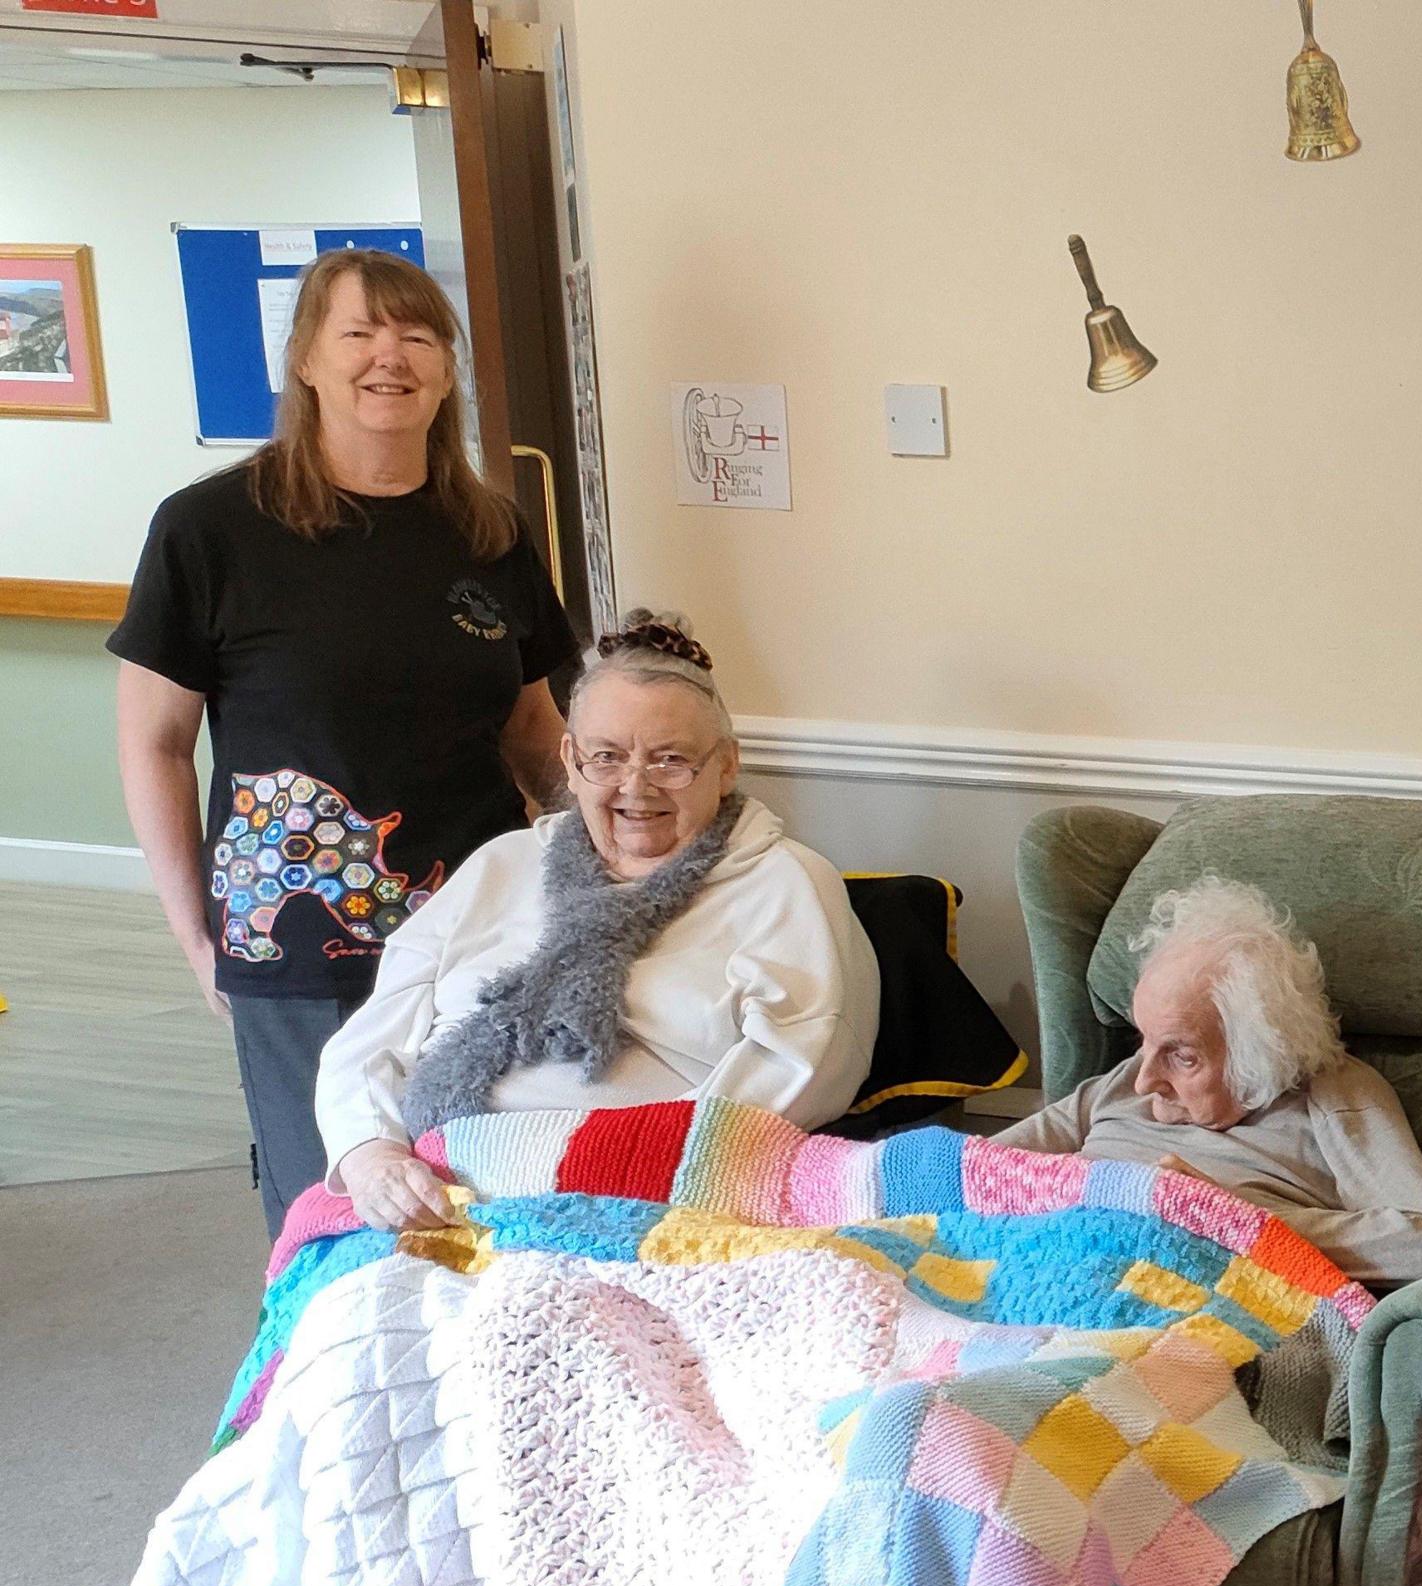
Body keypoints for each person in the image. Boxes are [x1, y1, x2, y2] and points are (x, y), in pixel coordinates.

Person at [110, 246, 578, 1232]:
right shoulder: (211, 529)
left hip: (480, 930)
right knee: (334, 1210)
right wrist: (196, 935)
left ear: (448, 370)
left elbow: (534, 729)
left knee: (480, 1193)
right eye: (358, 331)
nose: (389, 356)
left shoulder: (492, 533)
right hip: (297, 945)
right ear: (306, 361)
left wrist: (616, 855)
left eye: (416, 334)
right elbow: (154, 742)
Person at [313, 612, 878, 1229]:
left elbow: (808, 1067)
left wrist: (610, 1167)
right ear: (570, 759)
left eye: (671, 760)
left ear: (726, 765)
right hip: (435, 1182)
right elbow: (371, 1038)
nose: (636, 786)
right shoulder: (503, 864)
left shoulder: (785, 884)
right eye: (606, 757)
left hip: (657, 1194)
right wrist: (372, 1155)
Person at [993, 875, 1422, 1284]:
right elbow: (974, 1169)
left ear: (1258, 1058)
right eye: (1143, 1039)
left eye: (1181, 1056)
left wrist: (1228, 1218)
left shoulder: (1334, 1096)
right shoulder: (1127, 1079)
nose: (1143, 1081)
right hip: (1035, 1265)